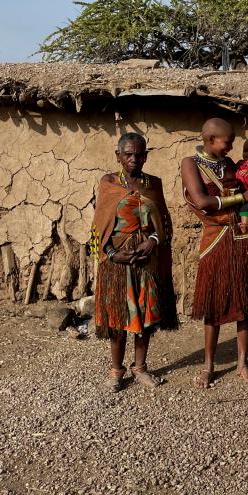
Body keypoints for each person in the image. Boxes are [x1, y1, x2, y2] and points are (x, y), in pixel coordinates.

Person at [181, 118, 248, 389]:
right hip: (215, 238)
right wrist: (245, 197)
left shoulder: (230, 165)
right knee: (214, 303)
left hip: (243, 236)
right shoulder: (190, 164)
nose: (231, 147)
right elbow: (202, 201)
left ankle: (243, 361)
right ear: (210, 140)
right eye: (227, 142)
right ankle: (209, 365)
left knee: (245, 300)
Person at [91, 132, 177, 392]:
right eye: (128, 154)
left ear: (146, 156)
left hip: (146, 261)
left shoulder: (153, 184)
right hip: (116, 262)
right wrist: (113, 253)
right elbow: (98, 227)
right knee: (118, 316)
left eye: (139, 154)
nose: (133, 159)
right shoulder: (108, 184)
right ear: (118, 155)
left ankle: (140, 367)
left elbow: (163, 225)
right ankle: (116, 371)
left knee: (145, 316)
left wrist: (152, 240)